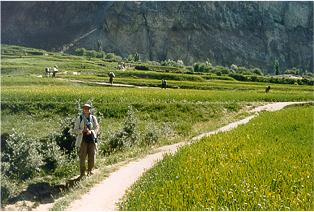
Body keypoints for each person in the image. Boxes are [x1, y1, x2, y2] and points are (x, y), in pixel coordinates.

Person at [73, 103, 100, 177]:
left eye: (88, 108)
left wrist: (91, 131)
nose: (86, 110)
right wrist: (82, 131)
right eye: (85, 108)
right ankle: (82, 173)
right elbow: (75, 130)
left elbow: (97, 127)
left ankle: (90, 171)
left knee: (92, 155)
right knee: (82, 157)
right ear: (83, 109)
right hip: (83, 140)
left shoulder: (93, 118)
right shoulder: (79, 118)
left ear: (90, 109)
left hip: (92, 140)